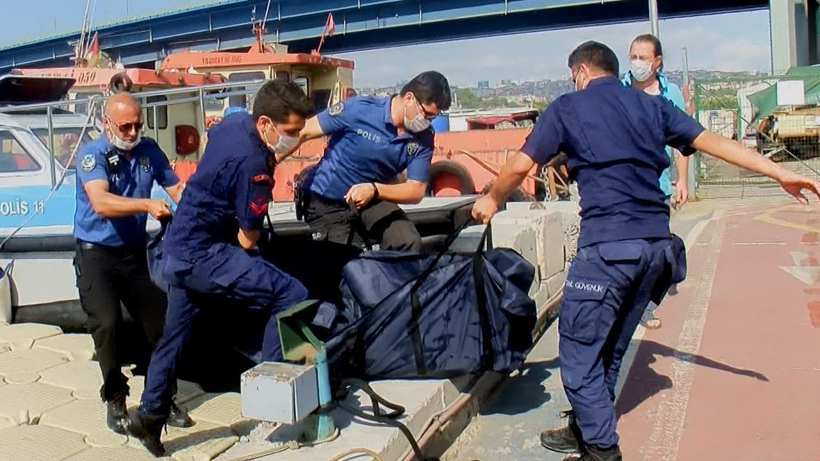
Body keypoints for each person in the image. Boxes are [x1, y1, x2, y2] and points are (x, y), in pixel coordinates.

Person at [472, 41, 820, 461]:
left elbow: (519, 166)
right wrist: (780, 172)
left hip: (607, 250)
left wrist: (491, 199)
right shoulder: (651, 106)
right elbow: (714, 143)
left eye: (572, 75)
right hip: (657, 250)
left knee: (579, 353)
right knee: (612, 346)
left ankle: (602, 451)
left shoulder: (567, 108)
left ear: (581, 71)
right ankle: (584, 428)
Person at [128, 80, 313, 457]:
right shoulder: (256, 164)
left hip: (177, 249)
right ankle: (272, 404)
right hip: (206, 254)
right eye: (291, 132)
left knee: (173, 339)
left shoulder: (232, 124)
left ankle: (149, 416)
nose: (296, 139)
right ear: (265, 124)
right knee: (290, 294)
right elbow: (247, 239)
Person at [73, 93, 193, 435]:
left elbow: (178, 189)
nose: (132, 131)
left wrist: (200, 210)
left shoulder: (149, 151)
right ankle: (115, 397)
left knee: (163, 323)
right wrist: (145, 205)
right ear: (106, 123)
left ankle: (161, 397)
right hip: (96, 254)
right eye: (125, 126)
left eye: (138, 124)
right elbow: (101, 201)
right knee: (107, 325)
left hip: (134, 253)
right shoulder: (91, 154)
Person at [291, 71, 451, 251]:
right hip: (328, 198)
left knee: (406, 240)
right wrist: (267, 164)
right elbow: (303, 132)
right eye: (426, 114)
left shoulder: (423, 139)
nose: (427, 121)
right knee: (344, 260)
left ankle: (395, 277)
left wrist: (374, 190)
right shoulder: (360, 109)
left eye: (432, 118)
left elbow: (416, 189)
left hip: (371, 196)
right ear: (408, 98)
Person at [622, 33, 688, 330]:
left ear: (657, 61)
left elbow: (683, 140)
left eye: (643, 57)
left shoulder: (670, 93)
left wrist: (682, 180)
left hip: (657, 186)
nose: (636, 63)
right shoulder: (618, 89)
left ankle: (646, 303)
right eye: (633, 56)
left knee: (658, 252)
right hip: (623, 186)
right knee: (626, 249)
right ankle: (629, 304)